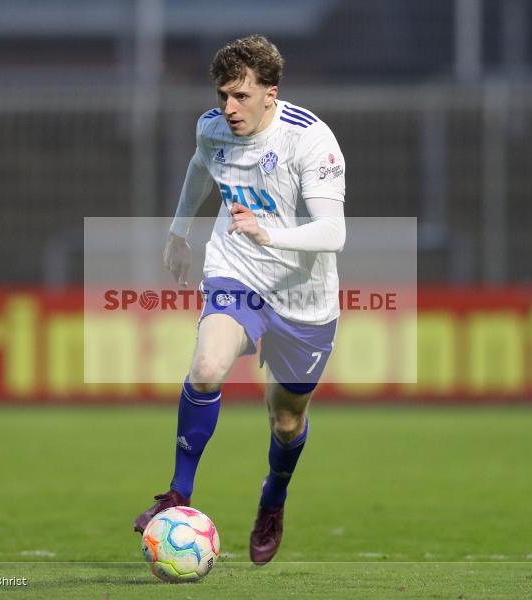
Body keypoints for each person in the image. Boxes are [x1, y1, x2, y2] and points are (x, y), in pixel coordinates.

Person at [133, 34, 346, 566]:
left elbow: (333, 232)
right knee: (206, 367)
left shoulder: (310, 140)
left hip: (303, 296)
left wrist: (270, 234)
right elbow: (199, 167)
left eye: (241, 96)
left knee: (286, 422)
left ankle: (273, 498)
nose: (229, 108)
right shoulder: (212, 128)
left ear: (271, 93)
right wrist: (179, 232)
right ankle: (179, 492)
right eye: (223, 95)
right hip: (237, 272)